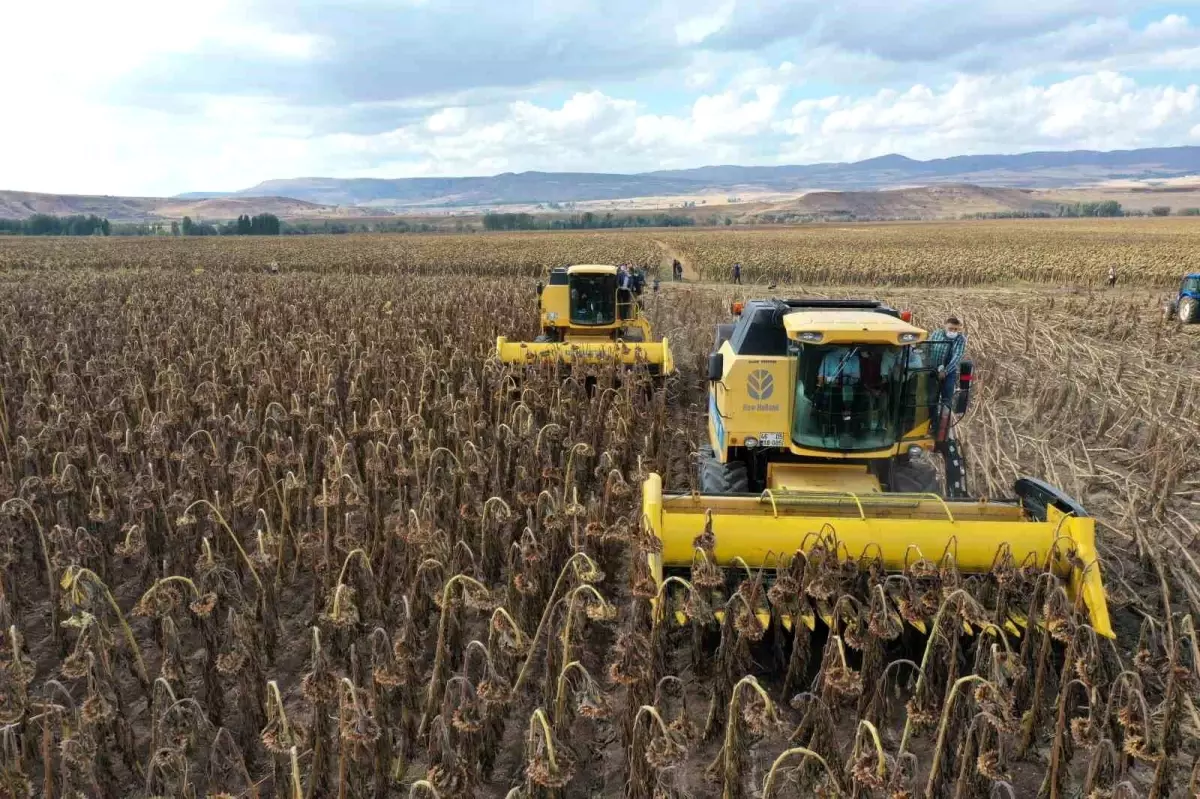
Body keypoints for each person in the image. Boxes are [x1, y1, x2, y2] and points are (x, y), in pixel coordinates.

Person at [927, 316, 967, 433]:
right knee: (931, 398)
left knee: (946, 399)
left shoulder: (960, 339)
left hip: (949, 373)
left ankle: (943, 427)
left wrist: (946, 371)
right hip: (933, 370)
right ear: (944, 326)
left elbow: (957, 357)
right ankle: (932, 424)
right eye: (951, 328)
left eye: (955, 329)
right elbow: (928, 347)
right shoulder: (936, 334)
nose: (953, 332)